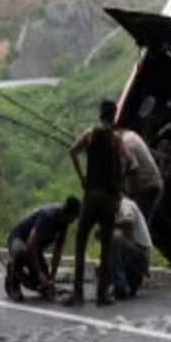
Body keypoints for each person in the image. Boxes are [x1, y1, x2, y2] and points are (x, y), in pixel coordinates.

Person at [64, 100, 132, 307]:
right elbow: (128, 161)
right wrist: (120, 181)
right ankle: (102, 294)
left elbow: (72, 152)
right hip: (109, 199)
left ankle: (78, 294)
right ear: (114, 116)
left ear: (100, 115)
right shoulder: (117, 140)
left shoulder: (89, 135)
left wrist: (82, 178)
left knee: (80, 243)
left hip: (91, 197)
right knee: (106, 246)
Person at [5, 197, 81, 301]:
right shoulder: (48, 216)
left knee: (43, 283)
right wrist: (40, 273)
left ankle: (27, 276)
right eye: (73, 218)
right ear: (66, 213)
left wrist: (51, 279)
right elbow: (31, 244)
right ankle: (12, 283)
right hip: (19, 240)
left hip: (35, 248)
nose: (73, 221)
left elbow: (58, 251)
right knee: (21, 252)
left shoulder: (64, 222)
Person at [110, 197, 154, 299]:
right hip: (134, 252)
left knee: (115, 238)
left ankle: (121, 286)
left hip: (141, 253)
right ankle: (129, 282)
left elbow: (129, 221)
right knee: (110, 240)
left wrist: (109, 224)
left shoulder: (126, 204)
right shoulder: (117, 210)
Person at [122, 127, 164, 228]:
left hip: (149, 187)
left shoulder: (126, 145)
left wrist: (129, 194)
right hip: (148, 183)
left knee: (138, 227)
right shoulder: (129, 136)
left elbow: (133, 169)